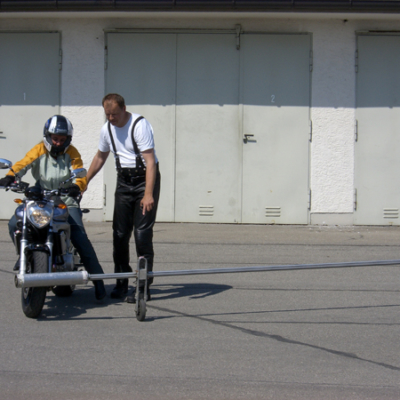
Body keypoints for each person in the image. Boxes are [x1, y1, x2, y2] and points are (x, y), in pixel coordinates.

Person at [0, 115, 107, 300]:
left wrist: (77, 186)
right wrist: (11, 176)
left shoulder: (72, 152)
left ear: (68, 139)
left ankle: (99, 281)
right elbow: (23, 163)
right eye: (55, 138)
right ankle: (24, 255)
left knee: (79, 236)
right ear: (48, 136)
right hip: (41, 195)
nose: (58, 143)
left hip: (65, 198)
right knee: (14, 223)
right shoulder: (39, 149)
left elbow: (79, 172)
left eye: (62, 139)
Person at [86, 93, 160, 302]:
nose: (111, 118)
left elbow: (151, 162)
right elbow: (100, 157)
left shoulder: (139, 125)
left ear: (124, 109)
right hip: (124, 182)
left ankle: (144, 287)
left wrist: (147, 194)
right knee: (119, 235)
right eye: (107, 114)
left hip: (145, 180)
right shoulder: (107, 129)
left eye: (115, 114)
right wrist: (85, 182)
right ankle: (121, 283)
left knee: (141, 235)